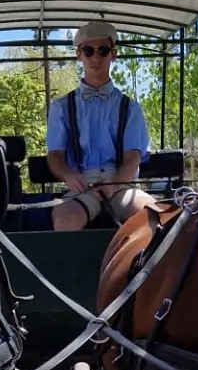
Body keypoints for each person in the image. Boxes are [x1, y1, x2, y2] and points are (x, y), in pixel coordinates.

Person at [46, 18, 154, 230]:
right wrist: (69, 176)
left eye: (103, 50)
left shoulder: (130, 108)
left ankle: (143, 264)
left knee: (153, 214)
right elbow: (55, 156)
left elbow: (132, 158)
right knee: (65, 219)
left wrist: (113, 185)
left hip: (121, 185)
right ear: (79, 54)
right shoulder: (61, 107)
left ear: (113, 54)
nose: (96, 57)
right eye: (88, 51)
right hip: (82, 187)